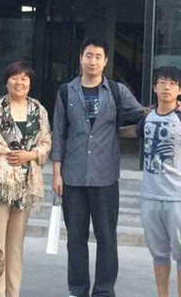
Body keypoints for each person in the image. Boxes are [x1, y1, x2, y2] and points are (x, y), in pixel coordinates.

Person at [51, 37, 147, 297]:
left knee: (106, 237)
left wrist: (172, 108)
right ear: (80, 58)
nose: (92, 61)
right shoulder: (66, 92)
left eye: (98, 57)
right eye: (88, 56)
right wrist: (56, 173)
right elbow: (58, 134)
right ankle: (78, 289)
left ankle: (104, 290)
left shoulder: (116, 91)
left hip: (105, 177)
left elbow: (143, 115)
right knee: (76, 238)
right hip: (73, 176)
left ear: (105, 61)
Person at [120, 66, 181, 297]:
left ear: (180, 90)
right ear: (154, 87)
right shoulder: (148, 116)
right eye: (162, 82)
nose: (167, 87)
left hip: (177, 197)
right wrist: (106, 129)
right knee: (158, 253)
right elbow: (133, 132)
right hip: (149, 196)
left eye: (172, 83)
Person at [0, 61, 51, 297]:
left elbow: (46, 143)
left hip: (26, 184)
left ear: (30, 83)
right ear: (6, 82)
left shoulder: (38, 110)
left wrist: (30, 155)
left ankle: (12, 293)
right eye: (14, 77)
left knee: (15, 245)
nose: (19, 82)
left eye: (24, 78)